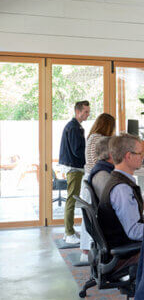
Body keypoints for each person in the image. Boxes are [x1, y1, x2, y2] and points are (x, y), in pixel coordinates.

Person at [96, 133, 144, 253]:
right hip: (127, 248)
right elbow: (134, 231)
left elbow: (133, 218)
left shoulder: (117, 180)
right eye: (140, 153)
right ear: (128, 156)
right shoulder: (122, 189)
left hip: (121, 242)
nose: (143, 157)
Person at [58, 100, 91, 244]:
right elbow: (77, 151)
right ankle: (69, 232)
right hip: (74, 168)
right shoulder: (73, 128)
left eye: (88, 112)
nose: (87, 114)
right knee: (71, 199)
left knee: (72, 198)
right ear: (78, 112)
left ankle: (69, 231)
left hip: (75, 167)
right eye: (85, 112)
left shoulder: (75, 127)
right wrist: (89, 156)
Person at [79, 135, 114, 260]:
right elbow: (116, 204)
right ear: (111, 153)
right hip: (114, 232)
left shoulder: (100, 170)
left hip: (105, 230)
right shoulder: (104, 176)